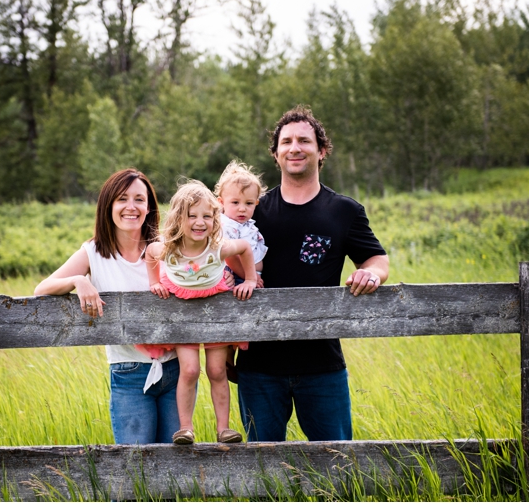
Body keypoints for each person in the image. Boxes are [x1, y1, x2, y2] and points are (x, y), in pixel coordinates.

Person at [233, 105, 389, 442]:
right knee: (262, 470)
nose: (295, 147)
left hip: (322, 365)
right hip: (259, 365)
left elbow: (376, 259)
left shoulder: (344, 211)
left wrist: (371, 274)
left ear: (322, 150)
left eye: (304, 140)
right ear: (275, 154)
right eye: (286, 141)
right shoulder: (253, 211)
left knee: (337, 465)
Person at [33, 169, 181, 445]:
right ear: (109, 205)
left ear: (149, 207)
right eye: (122, 199)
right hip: (128, 372)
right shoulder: (94, 253)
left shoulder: (166, 249)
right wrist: (79, 280)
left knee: (175, 465)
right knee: (134, 464)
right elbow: (41, 289)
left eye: (139, 199)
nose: (131, 207)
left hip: (175, 371)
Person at [141, 180, 257, 445]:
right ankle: (185, 428)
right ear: (178, 218)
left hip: (213, 314)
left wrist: (249, 279)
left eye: (207, 216)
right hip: (183, 315)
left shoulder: (217, 247)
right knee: (190, 370)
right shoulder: (168, 249)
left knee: (217, 371)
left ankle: (224, 429)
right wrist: (154, 282)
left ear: (215, 219)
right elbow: (149, 253)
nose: (199, 222)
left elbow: (245, 248)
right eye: (191, 216)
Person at [213, 160, 268, 383]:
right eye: (235, 202)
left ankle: (235, 356)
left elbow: (258, 254)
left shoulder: (250, 228)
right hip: (231, 275)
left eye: (249, 203)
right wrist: (250, 277)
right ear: (221, 202)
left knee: (245, 316)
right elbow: (231, 256)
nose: (242, 208)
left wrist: (258, 276)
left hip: (249, 277)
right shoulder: (224, 224)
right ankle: (227, 357)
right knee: (229, 316)